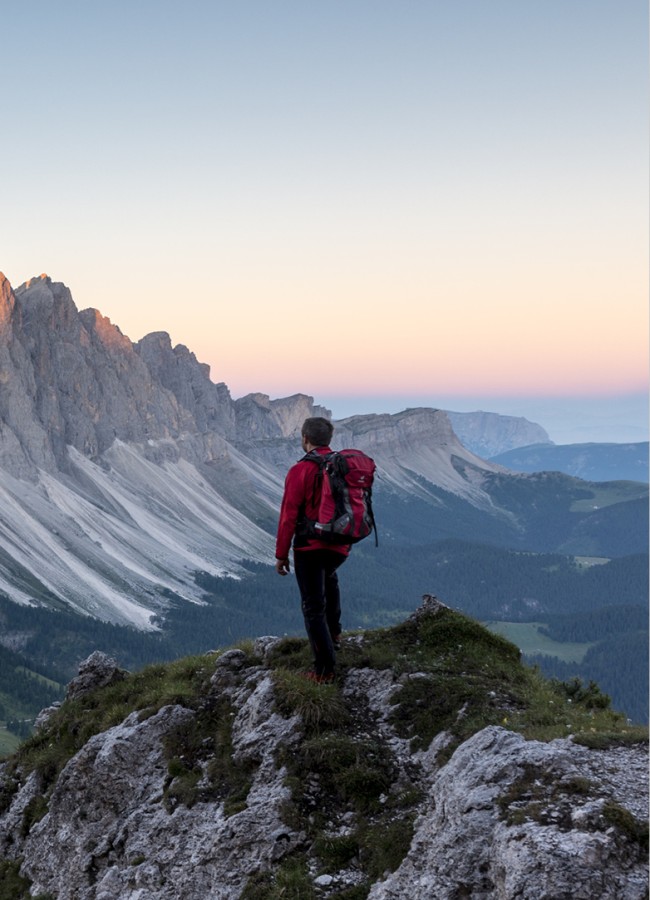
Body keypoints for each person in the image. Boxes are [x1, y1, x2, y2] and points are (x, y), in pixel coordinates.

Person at [275, 417, 349, 683]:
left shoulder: (301, 470)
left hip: (309, 545)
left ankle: (324, 670)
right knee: (330, 577)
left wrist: (281, 554)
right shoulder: (342, 464)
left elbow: (288, 516)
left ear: (305, 438)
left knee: (312, 606)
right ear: (329, 438)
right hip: (340, 544)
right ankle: (335, 634)